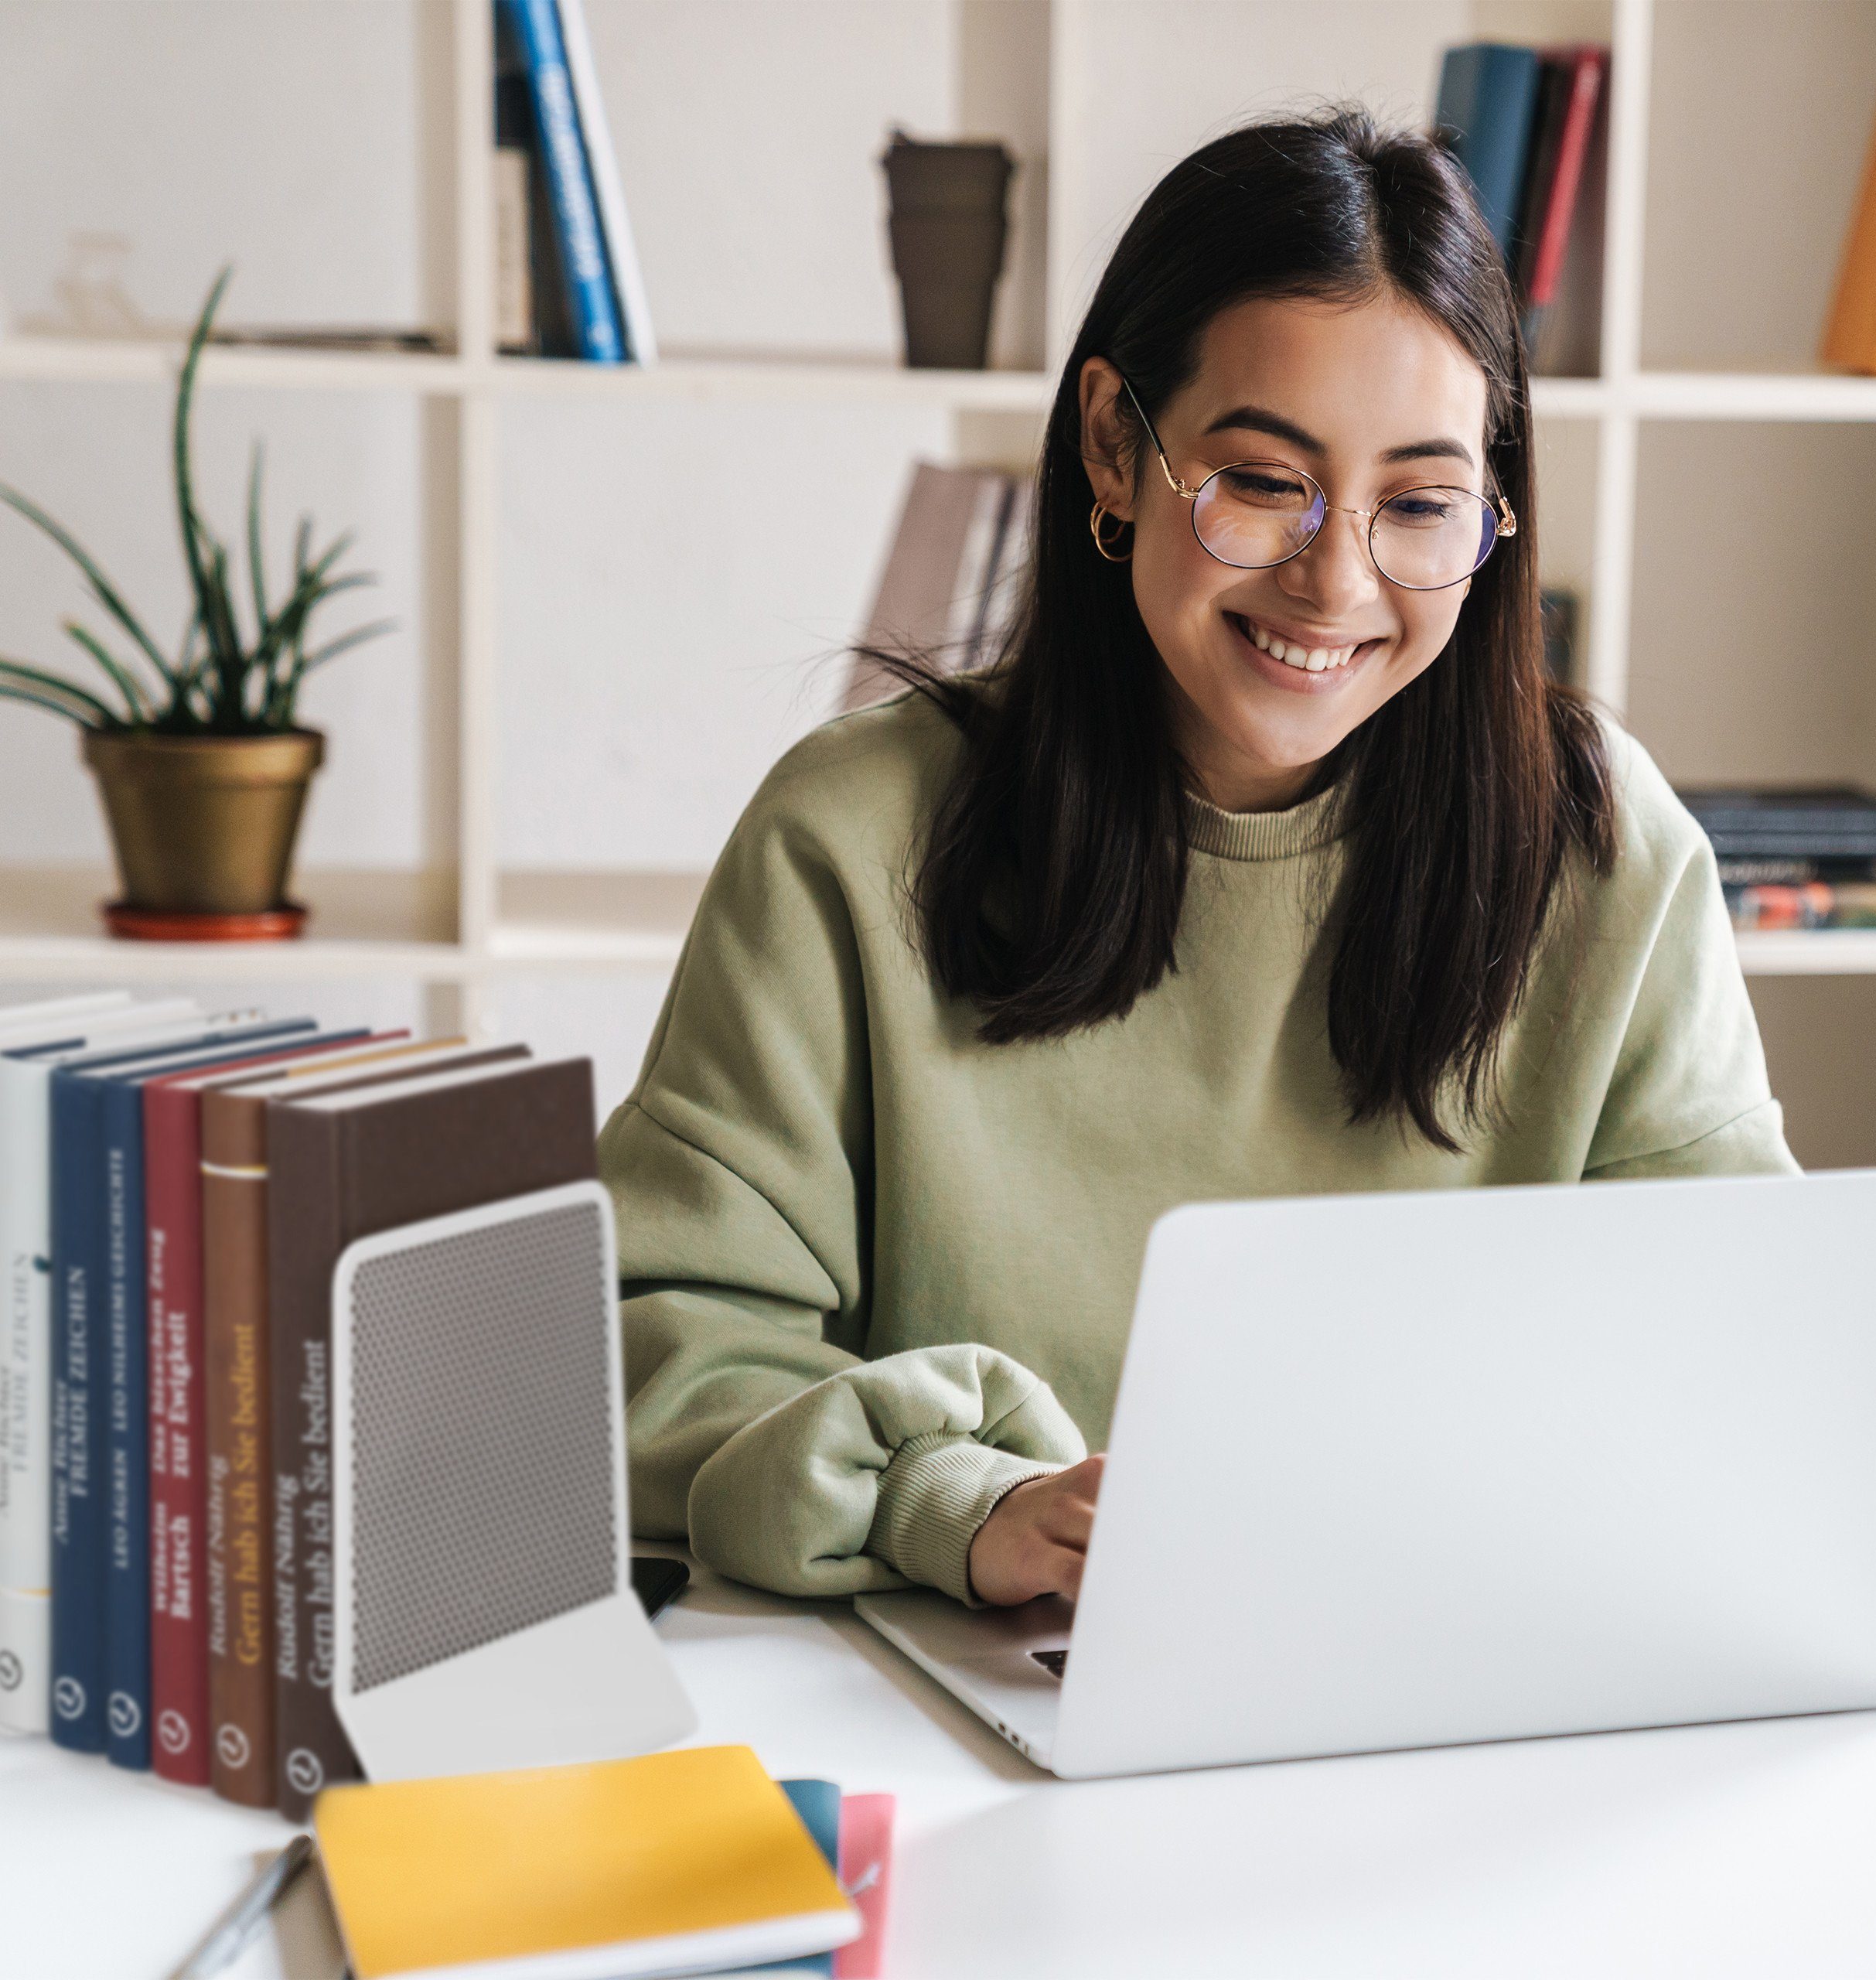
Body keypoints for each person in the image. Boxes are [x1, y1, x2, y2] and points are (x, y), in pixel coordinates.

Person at [598, 107, 1796, 1616]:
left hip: (1461, 1670)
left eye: (1417, 503)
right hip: (977, 1673)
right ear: (1112, 441)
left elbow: (1746, 1359)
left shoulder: (1603, 853)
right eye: (1258, 478)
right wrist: (949, 1500)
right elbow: (657, 1346)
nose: (1335, 579)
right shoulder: (851, 840)